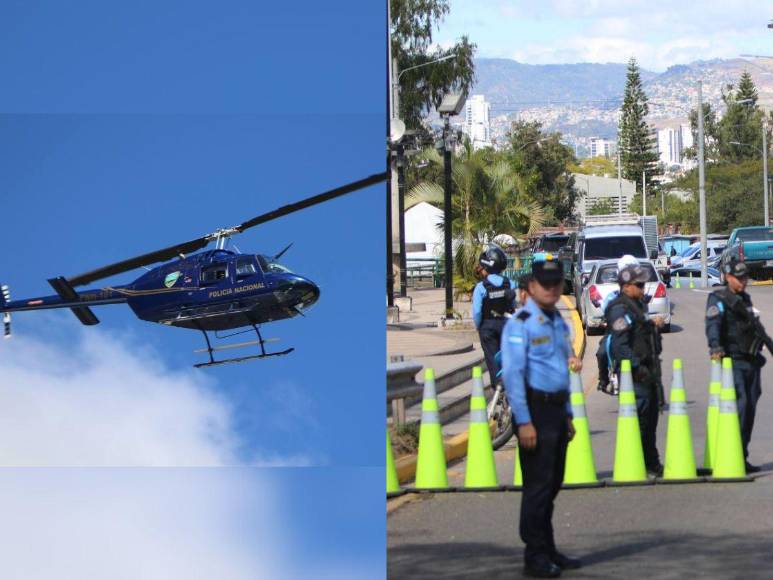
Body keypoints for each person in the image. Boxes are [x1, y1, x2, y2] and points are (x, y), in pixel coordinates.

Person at [501, 253, 583, 578]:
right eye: (544, 284)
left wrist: (567, 414)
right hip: (533, 411)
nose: (550, 289)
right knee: (537, 487)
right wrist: (523, 421)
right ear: (531, 285)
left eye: (555, 283)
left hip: (555, 410)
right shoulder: (520, 324)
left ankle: (547, 547)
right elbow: (513, 375)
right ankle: (534, 554)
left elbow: (562, 372)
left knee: (553, 483)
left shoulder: (558, 321)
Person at [705, 257, 765, 473]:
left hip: (751, 360)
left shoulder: (745, 298)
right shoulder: (718, 299)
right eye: (738, 278)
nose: (743, 282)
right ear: (728, 277)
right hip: (734, 361)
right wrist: (715, 347)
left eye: (745, 277)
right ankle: (733, 454)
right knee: (740, 404)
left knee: (750, 407)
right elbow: (713, 325)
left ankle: (742, 454)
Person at [607, 263, 665, 476]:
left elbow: (640, 330)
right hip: (635, 374)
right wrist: (636, 367)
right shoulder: (619, 309)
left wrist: (653, 325)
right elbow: (620, 345)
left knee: (650, 421)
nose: (643, 289)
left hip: (648, 370)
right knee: (640, 421)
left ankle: (652, 463)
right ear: (626, 286)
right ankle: (639, 463)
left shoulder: (636, 306)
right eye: (638, 285)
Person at [594, 255, 640, 395]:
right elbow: (604, 306)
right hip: (613, 333)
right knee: (601, 353)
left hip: (635, 333)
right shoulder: (612, 296)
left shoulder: (639, 295)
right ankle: (603, 381)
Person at [473, 245, 516, 387]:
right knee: (508, 356)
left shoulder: (481, 287)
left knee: (492, 358)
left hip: (488, 326)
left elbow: (477, 312)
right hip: (507, 325)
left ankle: (498, 387)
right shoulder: (509, 283)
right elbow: (515, 303)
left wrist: (479, 326)